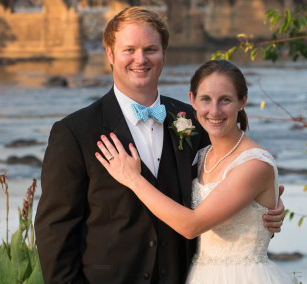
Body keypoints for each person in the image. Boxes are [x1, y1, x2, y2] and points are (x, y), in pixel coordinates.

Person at [35, 7, 285, 284]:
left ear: (164, 54)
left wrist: (267, 209)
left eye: (150, 49)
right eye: (129, 49)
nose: (140, 59)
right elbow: (55, 231)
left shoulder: (195, 120)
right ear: (110, 54)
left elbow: (226, 182)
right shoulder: (74, 133)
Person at [95, 59, 295, 283]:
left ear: (243, 101)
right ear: (192, 101)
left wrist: (133, 178)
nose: (215, 110)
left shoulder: (254, 163)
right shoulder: (201, 154)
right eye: (206, 99)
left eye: (225, 100)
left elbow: (192, 226)